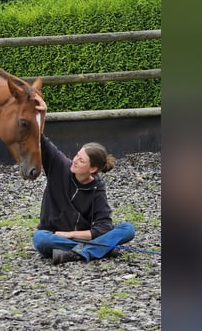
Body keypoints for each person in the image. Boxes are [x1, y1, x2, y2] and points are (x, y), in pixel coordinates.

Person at [31, 95, 135, 264]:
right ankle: (101, 249)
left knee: (128, 229)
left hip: (71, 236)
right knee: (40, 239)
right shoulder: (60, 167)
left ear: (92, 169)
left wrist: (70, 235)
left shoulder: (97, 187)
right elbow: (40, 139)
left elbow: (103, 226)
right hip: (52, 235)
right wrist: (43, 114)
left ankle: (79, 253)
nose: (75, 160)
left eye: (81, 160)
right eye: (77, 156)